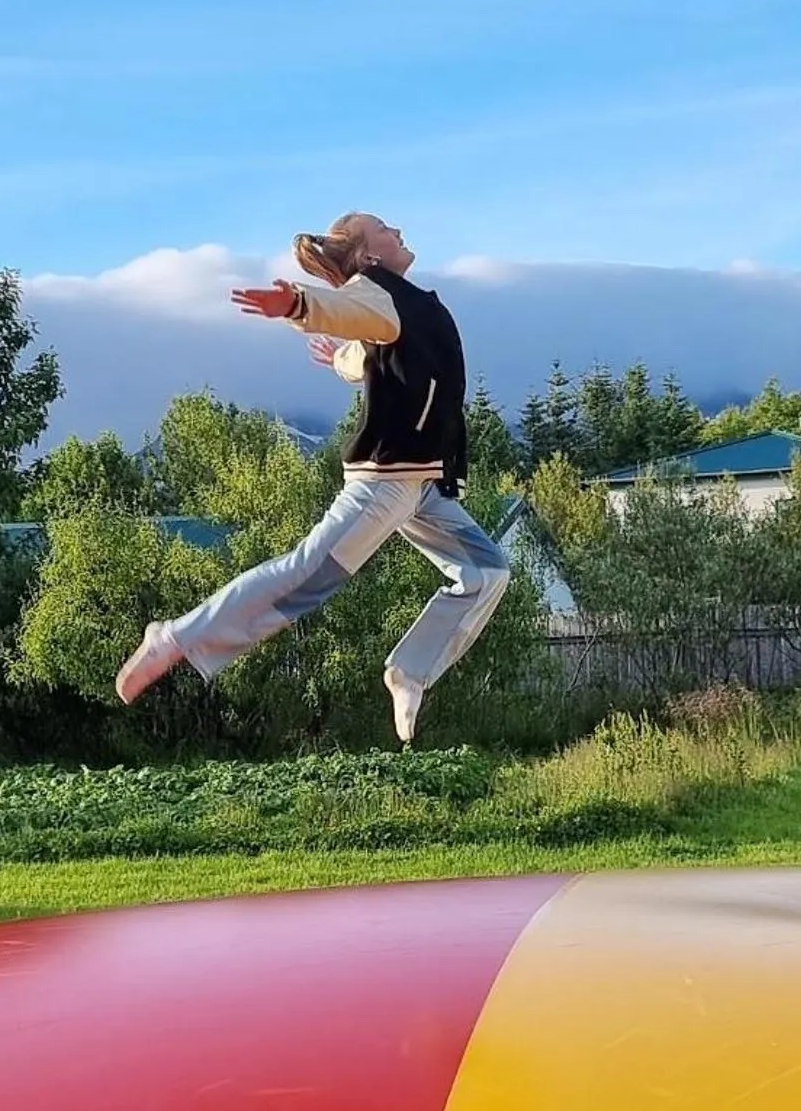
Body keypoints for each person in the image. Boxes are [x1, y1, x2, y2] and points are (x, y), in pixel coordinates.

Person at [115, 213, 510, 744]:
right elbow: (347, 309)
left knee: (486, 572)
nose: (398, 229)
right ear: (369, 255)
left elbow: (369, 347)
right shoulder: (376, 292)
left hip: (423, 485)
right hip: (386, 482)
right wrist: (298, 306)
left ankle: (409, 672)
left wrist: (342, 362)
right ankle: (177, 636)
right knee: (306, 575)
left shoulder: (405, 305)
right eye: (385, 228)